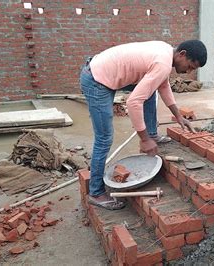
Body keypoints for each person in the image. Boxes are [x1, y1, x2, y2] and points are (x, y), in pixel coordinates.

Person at [80, 40, 207, 210]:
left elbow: (163, 84)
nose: (189, 72)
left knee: (150, 90)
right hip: (96, 80)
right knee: (104, 138)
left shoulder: (166, 51)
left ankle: (153, 134)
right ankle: (96, 192)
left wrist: (178, 116)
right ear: (182, 54)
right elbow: (133, 103)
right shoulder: (162, 62)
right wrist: (144, 139)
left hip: (103, 70)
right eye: (191, 66)